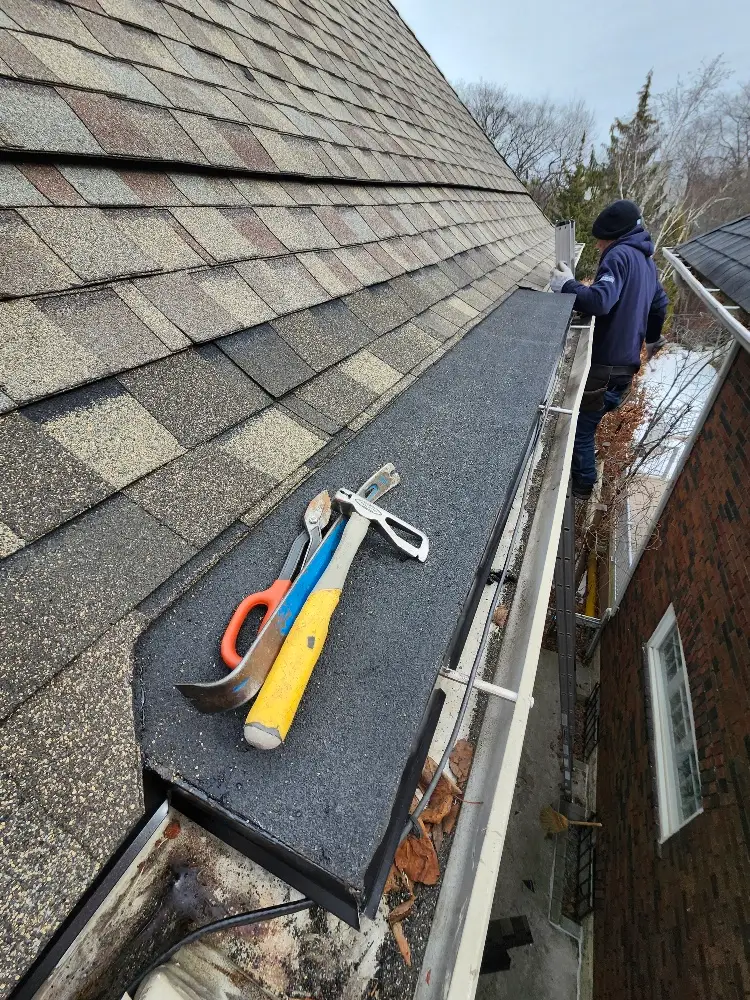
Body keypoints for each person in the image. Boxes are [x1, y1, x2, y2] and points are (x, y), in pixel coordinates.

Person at [550, 199, 668, 500]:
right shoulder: (647, 263)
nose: (599, 247)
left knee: (579, 430)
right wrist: (651, 340)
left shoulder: (619, 256)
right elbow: (659, 305)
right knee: (587, 427)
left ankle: (581, 491)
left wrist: (568, 286)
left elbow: (601, 301)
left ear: (612, 237)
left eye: (601, 242)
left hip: (604, 369)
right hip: (624, 370)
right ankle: (583, 484)